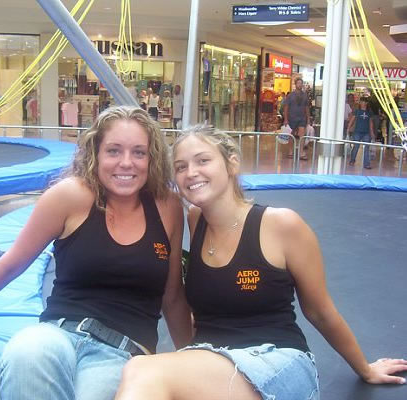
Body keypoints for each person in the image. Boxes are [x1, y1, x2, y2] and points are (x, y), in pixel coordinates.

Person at [0, 106, 192, 400]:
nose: (126, 163)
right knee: (27, 353)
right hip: (57, 334)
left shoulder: (166, 206)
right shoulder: (70, 196)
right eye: (114, 151)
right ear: (96, 153)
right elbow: (11, 264)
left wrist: (189, 361)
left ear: (151, 158)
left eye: (138, 153)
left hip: (123, 351)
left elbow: (173, 296)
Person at [115, 125, 407, 400]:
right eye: (181, 167)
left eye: (203, 161)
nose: (191, 173)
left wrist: (364, 368)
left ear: (231, 164)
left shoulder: (281, 225)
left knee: (143, 369)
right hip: (214, 360)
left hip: (276, 362)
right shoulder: (195, 219)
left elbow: (320, 312)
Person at [284, 77, 310, 160]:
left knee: (302, 135)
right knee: (291, 135)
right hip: (292, 117)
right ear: (295, 84)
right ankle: (290, 151)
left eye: (301, 83)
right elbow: (286, 108)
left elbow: (307, 108)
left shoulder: (305, 95)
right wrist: (286, 119)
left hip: (302, 118)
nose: (300, 85)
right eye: (298, 83)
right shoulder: (290, 95)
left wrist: (308, 118)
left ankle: (301, 152)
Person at [347, 97, 375, 169]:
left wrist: (371, 132)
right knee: (356, 147)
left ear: (366, 103)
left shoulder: (369, 112)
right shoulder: (357, 111)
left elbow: (370, 122)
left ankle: (366, 164)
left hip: (366, 132)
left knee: (366, 148)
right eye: (362, 102)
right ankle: (352, 160)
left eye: (364, 102)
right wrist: (348, 128)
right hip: (357, 131)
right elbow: (352, 120)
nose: (363, 103)